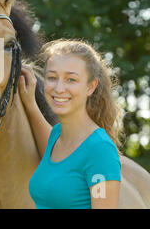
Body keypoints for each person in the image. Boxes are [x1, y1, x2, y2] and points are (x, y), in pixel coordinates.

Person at [18, 39, 123, 209]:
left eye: (71, 80)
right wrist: (30, 103)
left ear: (90, 87)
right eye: (52, 78)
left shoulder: (100, 150)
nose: (59, 88)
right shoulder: (56, 136)